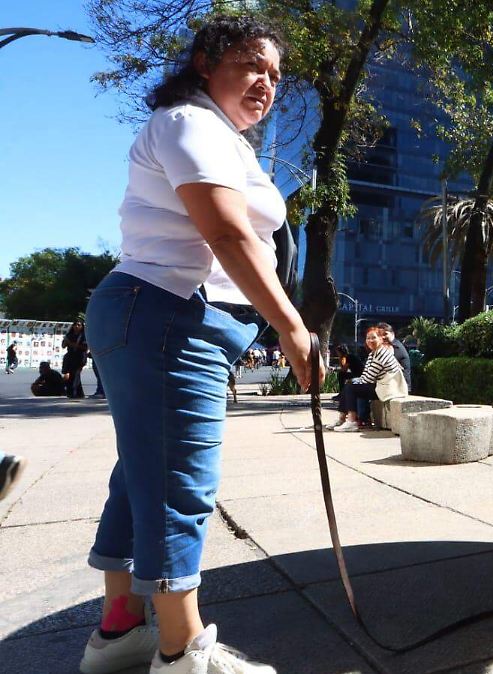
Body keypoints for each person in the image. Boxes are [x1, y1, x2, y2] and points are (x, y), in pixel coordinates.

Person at [79, 16, 319, 674]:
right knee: (179, 482)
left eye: (276, 75)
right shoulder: (192, 124)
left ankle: (120, 628)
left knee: (143, 474)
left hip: (163, 315)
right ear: (206, 63)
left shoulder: (226, 140)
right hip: (166, 313)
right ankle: (182, 653)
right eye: (251, 66)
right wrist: (295, 329)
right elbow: (230, 235)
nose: (267, 84)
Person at [329, 327, 404, 432]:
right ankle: (342, 419)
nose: (370, 341)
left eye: (374, 338)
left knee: (351, 387)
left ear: (381, 339)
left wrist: (354, 382)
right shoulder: (373, 353)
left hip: (387, 388)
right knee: (350, 384)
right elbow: (366, 375)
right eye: (368, 338)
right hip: (380, 385)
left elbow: (369, 378)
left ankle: (351, 421)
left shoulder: (382, 354)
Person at [62, 321, 88, 399]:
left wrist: (72, 344)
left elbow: (85, 347)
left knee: (75, 374)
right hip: (70, 357)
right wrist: (65, 342)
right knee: (71, 375)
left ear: (82, 327)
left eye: (79, 325)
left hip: (80, 357)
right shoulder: (69, 335)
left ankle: (74, 392)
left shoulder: (83, 336)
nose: (76, 326)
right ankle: (78, 393)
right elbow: (63, 346)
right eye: (75, 325)